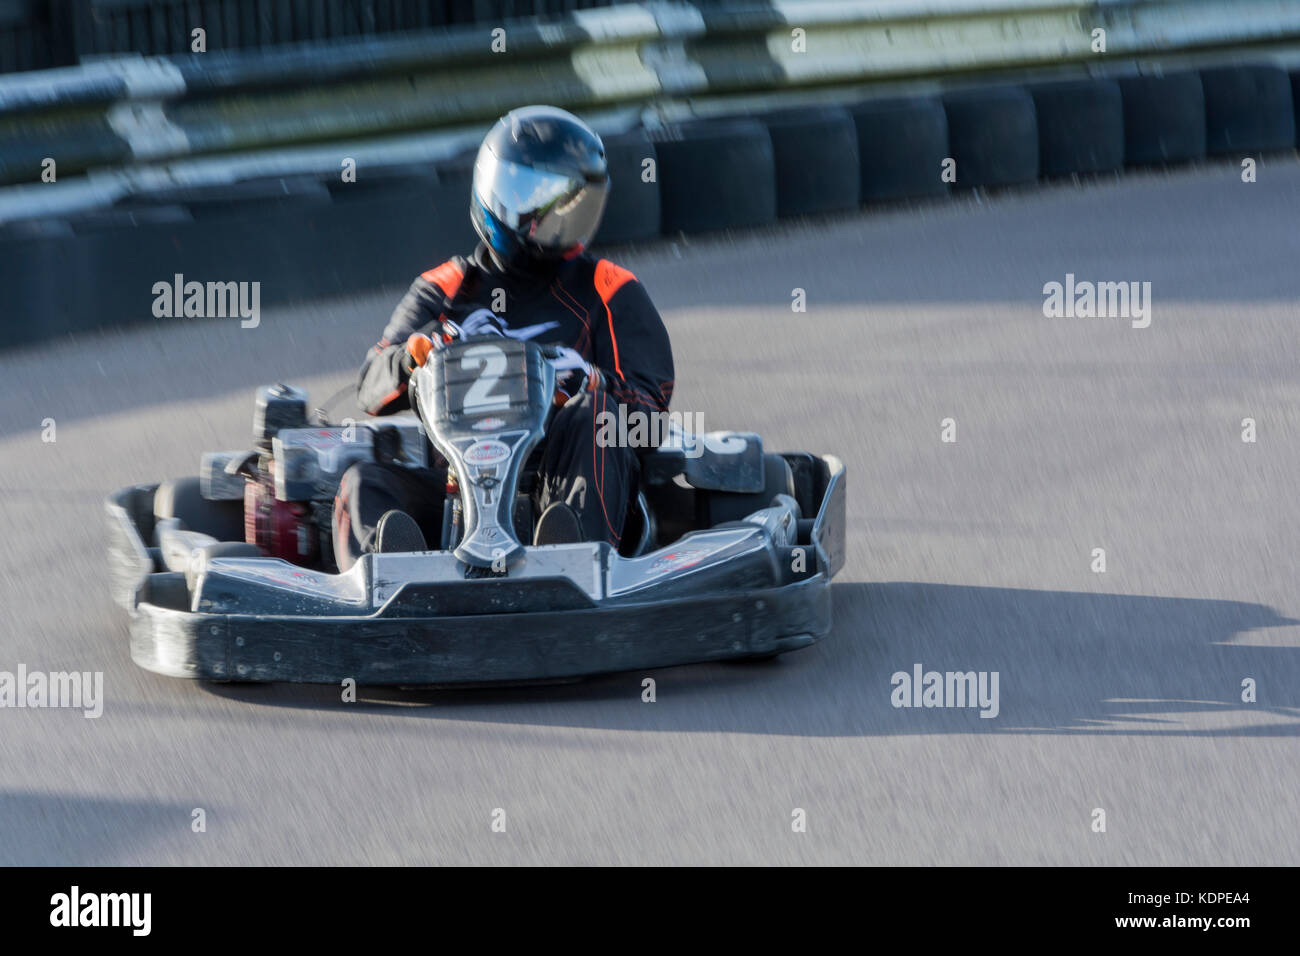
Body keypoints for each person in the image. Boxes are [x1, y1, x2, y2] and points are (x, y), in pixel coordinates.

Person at [332, 105, 674, 571]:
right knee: (361, 483)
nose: (558, 218)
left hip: (560, 491)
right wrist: (421, 351)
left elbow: (651, 422)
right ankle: (395, 582)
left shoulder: (609, 289)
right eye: (542, 197)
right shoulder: (446, 287)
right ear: (498, 191)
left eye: (572, 203)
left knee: (595, 416)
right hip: (456, 494)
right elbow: (370, 388)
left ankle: (569, 565)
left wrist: (589, 383)